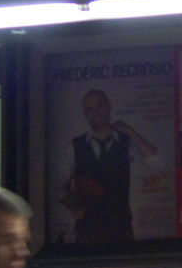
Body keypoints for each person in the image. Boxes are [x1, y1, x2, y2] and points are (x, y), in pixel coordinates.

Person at [63, 89, 157, 243]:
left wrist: (131, 131)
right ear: (85, 114)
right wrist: (74, 208)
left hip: (120, 227)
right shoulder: (75, 146)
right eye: (89, 109)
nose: (95, 112)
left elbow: (156, 161)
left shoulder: (126, 142)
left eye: (99, 105)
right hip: (88, 229)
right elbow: (59, 182)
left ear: (109, 106)